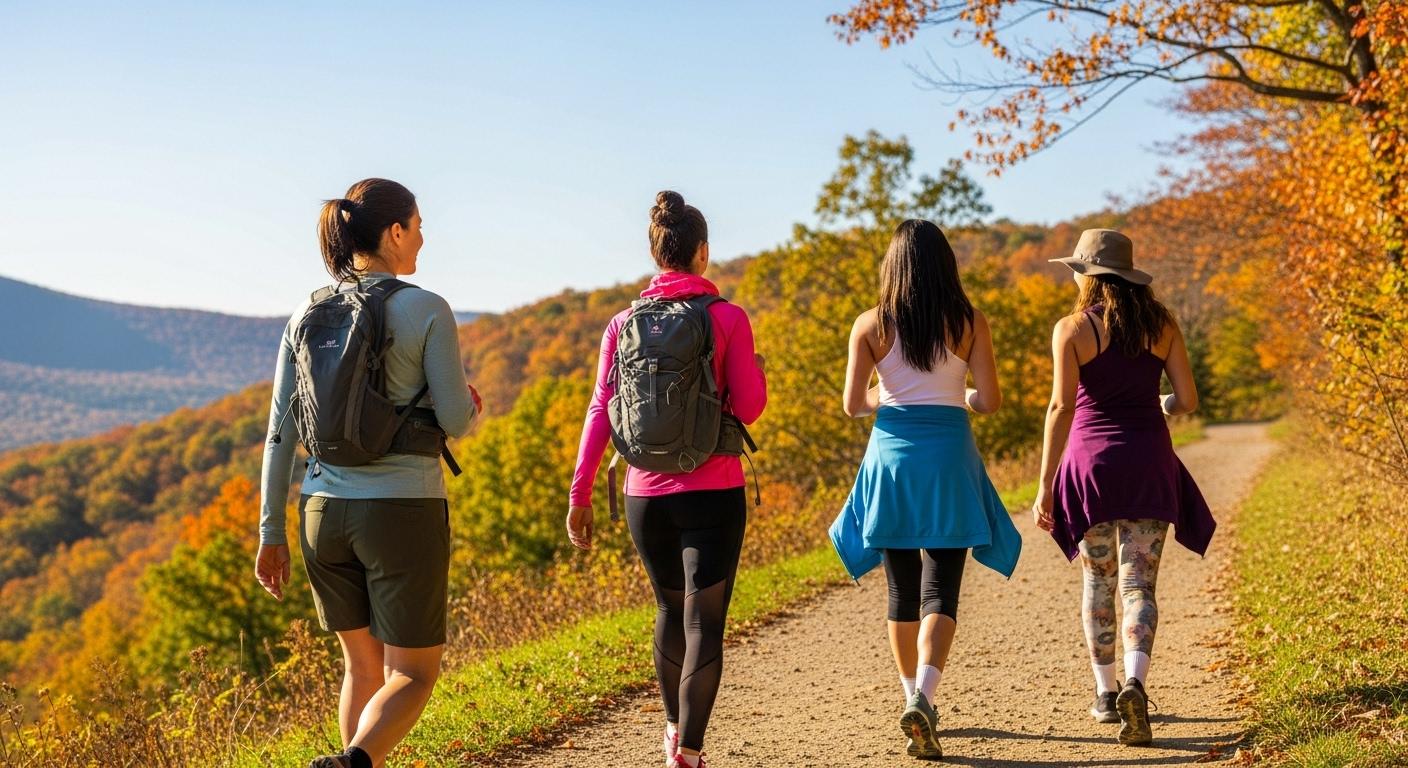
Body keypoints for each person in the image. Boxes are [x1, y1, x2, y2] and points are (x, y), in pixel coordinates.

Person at [254, 178, 479, 768]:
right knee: (413, 673)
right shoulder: (426, 308)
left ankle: (351, 760)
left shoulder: (307, 311)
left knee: (362, 664)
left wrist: (269, 533)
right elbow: (456, 418)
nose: (424, 239)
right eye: (419, 225)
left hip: (320, 512)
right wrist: (470, 402)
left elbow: (280, 430)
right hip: (402, 509)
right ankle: (353, 765)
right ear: (394, 232)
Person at [566, 191, 767, 768]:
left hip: (643, 495)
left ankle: (673, 730)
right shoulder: (727, 317)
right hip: (714, 490)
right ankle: (692, 752)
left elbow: (599, 408)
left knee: (667, 611)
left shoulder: (622, 323)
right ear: (702, 253)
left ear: (656, 253)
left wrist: (580, 493)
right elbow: (749, 407)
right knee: (705, 621)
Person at [830, 219, 1021, 761]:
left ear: (892, 266)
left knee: (901, 590)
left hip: (891, 461)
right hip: (949, 458)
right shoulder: (969, 321)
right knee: (943, 588)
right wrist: (959, 397)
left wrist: (889, 397)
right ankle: (924, 697)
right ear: (945, 264)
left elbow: (853, 405)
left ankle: (908, 696)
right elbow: (989, 399)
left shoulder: (869, 325)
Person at [1032, 228, 1212, 746]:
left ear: (1085, 275)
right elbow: (1187, 399)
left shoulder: (1071, 329)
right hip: (1149, 463)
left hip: (1090, 468)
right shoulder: (1162, 326)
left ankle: (1106, 696)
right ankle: (1137, 681)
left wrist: (1046, 485)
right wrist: (1161, 405)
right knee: (1139, 585)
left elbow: (1060, 407)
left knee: (1098, 582)